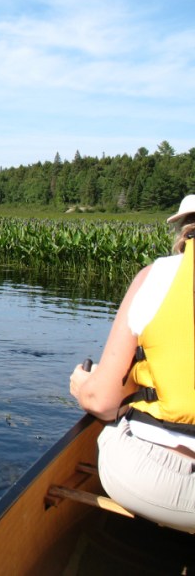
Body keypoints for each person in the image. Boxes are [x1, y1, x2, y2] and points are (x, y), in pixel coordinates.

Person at [70, 194, 195, 533]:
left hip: (157, 481)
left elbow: (104, 402)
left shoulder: (158, 276)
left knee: (109, 419)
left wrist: (85, 387)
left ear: (184, 233)